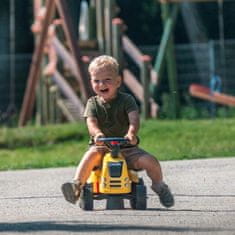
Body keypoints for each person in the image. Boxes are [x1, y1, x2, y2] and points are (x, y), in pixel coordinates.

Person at [61, 55, 174, 208]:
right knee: (90, 156)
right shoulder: (92, 103)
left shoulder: (127, 100)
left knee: (151, 161)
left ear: (118, 81)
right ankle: (77, 186)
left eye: (107, 79)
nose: (101, 84)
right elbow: (91, 122)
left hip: (127, 148)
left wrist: (131, 134)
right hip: (102, 148)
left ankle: (159, 186)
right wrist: (98, 134)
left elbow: (134, 119)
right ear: (91, 82)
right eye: (96, 81)